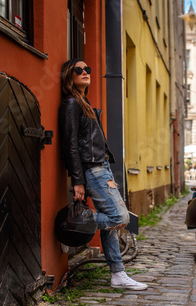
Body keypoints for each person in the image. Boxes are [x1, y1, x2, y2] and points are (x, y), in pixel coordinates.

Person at [58, 59, 147, 291]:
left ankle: (117, 274)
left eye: (88, 68)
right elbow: (70, 145)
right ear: (69, 75)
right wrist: (77, 180)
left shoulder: (83, 102)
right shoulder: (70, 104)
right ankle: (70, 224)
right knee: (120, 218)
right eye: (79, 70)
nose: (86, 72)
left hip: (101, 167)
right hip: (92, 170)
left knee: (112, 221)